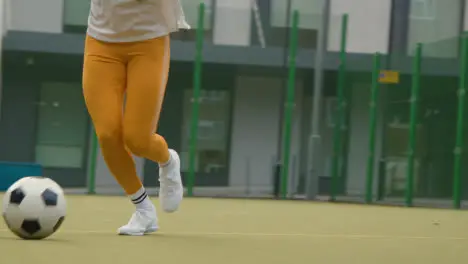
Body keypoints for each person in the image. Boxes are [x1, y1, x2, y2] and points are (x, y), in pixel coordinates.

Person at [82, 0, 190, 236]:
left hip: (148, 42)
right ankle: (143, 209)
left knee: (137, 140)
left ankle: (167, 160)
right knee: (108, 134)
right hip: (101, 43)